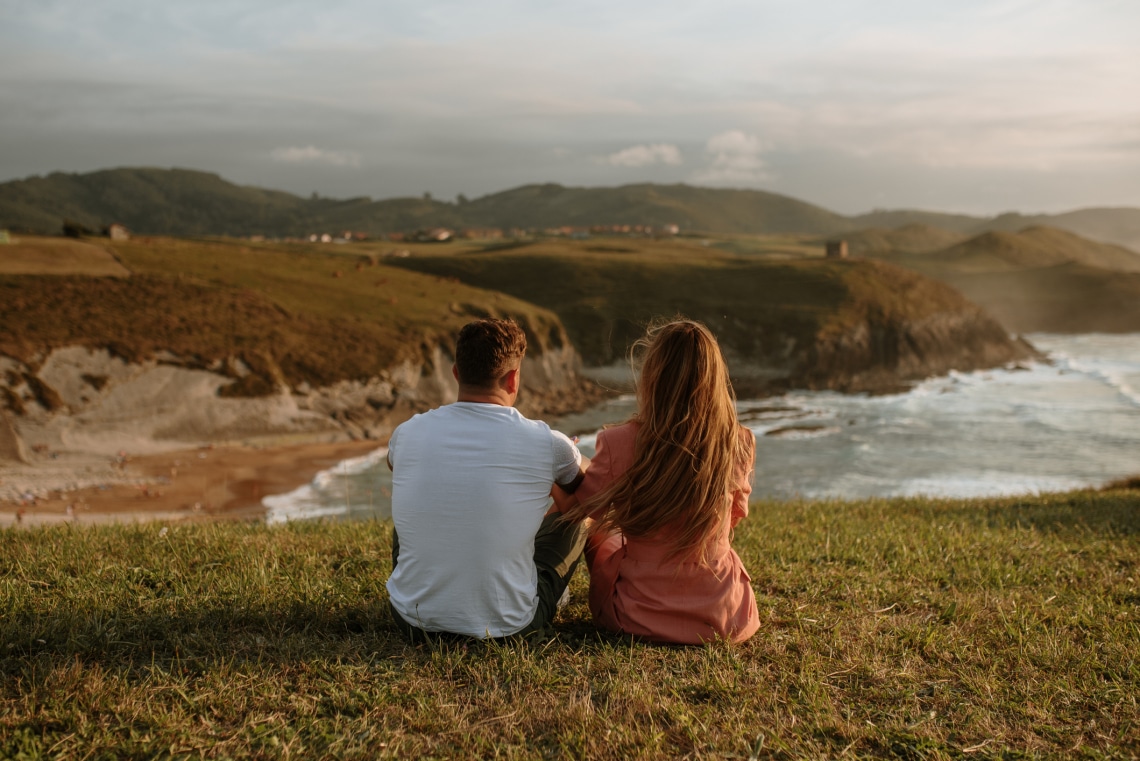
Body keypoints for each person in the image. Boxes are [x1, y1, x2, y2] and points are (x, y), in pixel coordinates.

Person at [555, 319, 759, 644]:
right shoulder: (739, 442)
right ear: (716, 377)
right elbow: (734, 518)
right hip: (725, 616)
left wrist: (557, 467)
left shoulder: (619, 442)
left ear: (653, 376)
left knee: (601, 529)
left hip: (636, 616)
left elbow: (577, 509)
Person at [386, 318, 589, 639]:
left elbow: (397, 467)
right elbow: (583, 498)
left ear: (455, 372)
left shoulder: (407, 432)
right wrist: (556, 464)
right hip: (510, 628)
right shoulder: (547, 442)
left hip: (411, 622)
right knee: (577, 522)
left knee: (421, 509)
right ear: (513, 378)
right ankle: (545, 591)